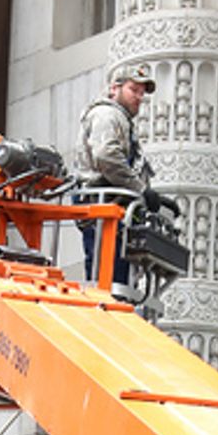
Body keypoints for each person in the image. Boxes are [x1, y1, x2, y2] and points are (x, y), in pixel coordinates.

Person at [74, 66, 155, 288]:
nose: (139, 97)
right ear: (114, 88)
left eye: (142, 93)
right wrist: (141, 189)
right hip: (101, 209)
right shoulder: (107, 114)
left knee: (117, 284)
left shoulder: (119, 119)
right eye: (133, 89)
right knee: (106, 285)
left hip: (115, 211)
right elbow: (106, 156)